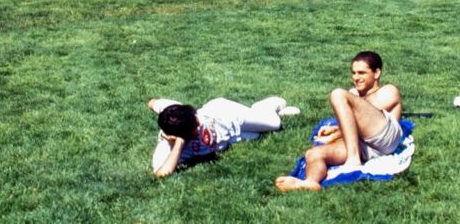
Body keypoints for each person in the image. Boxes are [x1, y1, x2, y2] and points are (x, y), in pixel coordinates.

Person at [275, 51, 403, 192]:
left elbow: (365, 118)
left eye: (361, 73)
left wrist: (336, 134)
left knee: (338, 94)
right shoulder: (354, 94)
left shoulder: (388, 91)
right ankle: (310, 182)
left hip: (384, 139)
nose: (356, 77)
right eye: (353, 73)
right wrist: (336, 129)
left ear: (376, 73)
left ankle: (353, 159)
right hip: (363, 145)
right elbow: (356, 121)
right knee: (313, 154)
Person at [148, 96, 297, 178]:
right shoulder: (168, 147)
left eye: (195, 119)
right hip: (232, 136)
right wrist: (179, 144)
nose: (198, 123)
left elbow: (152, 102)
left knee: (275, 125)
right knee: (257, 135)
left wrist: (155, 105)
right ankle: (261, 114)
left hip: (228, 114)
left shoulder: (175, 112)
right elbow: (161, 174)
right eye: (195, 126)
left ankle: (266, 107)